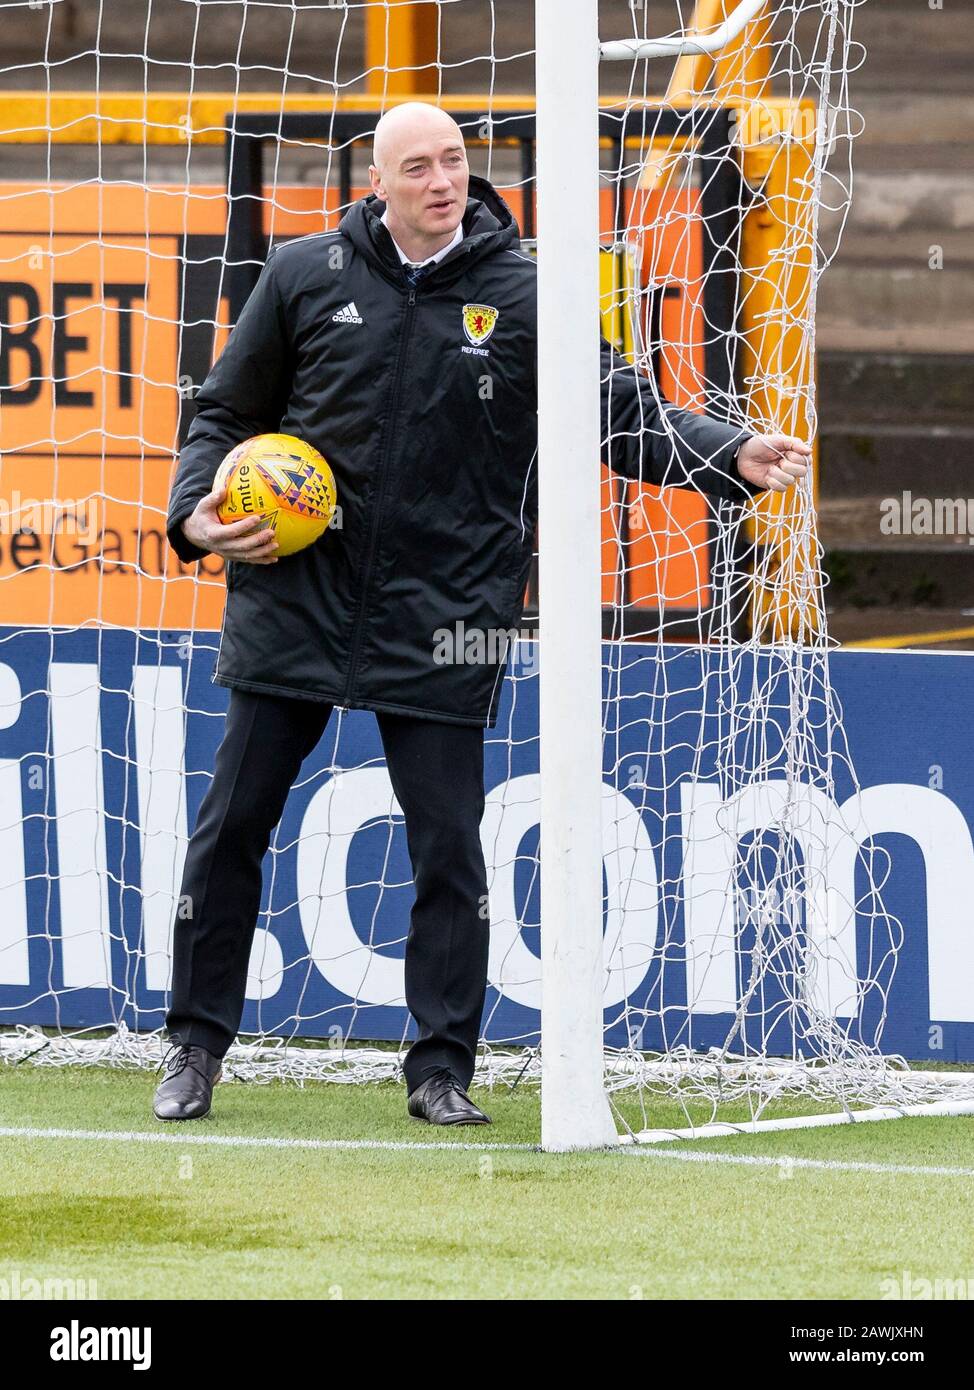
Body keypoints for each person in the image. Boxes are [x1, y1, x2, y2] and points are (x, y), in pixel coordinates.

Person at [156, 102, 810, 1127]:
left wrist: (724, 454)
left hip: (444, 609)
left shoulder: (529, 290)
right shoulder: (300, 275)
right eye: (415, 166)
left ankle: (437, 1069)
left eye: (452, 159)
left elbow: (622, 415)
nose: (440, 179)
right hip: (294, 601)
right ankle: (193, 1047)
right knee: (232, 824)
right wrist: (194, 517)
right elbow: (227, 413)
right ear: (376, 183)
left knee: (449, 848)